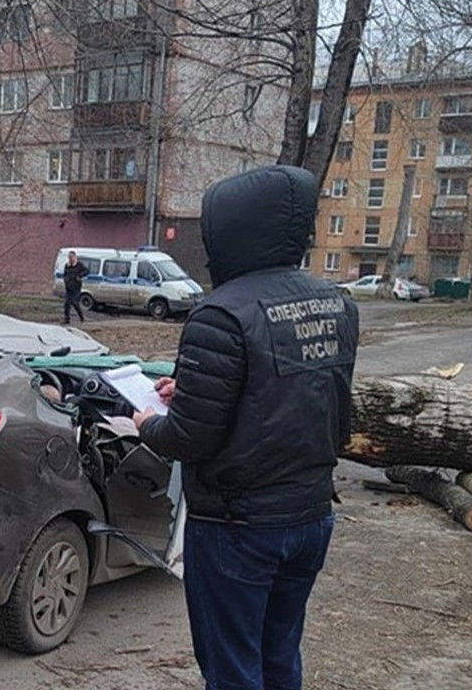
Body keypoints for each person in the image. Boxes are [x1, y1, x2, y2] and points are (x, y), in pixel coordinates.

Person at [132, 166, 359, 690]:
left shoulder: (220, 315)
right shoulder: (336, 304)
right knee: (279, 655)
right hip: (310, 516)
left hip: (239, 527)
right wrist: (190, 392)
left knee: (232, 667)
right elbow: (291, 394)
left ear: (229, 232)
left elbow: (188, 439)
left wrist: (146, 421)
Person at [62, 251, 87, 324]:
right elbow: (65, 274)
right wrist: (65, 279)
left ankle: (81, 317)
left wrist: (80, 276)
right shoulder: (67, 265)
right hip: (68, 287)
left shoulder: (79, 265)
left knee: (74, 302)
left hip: (76, 287)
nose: (70, 258)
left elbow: (87, 271)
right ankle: (67, 319)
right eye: (69, 257)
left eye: (71, 257)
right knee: (67, 303)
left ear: (75, 257)